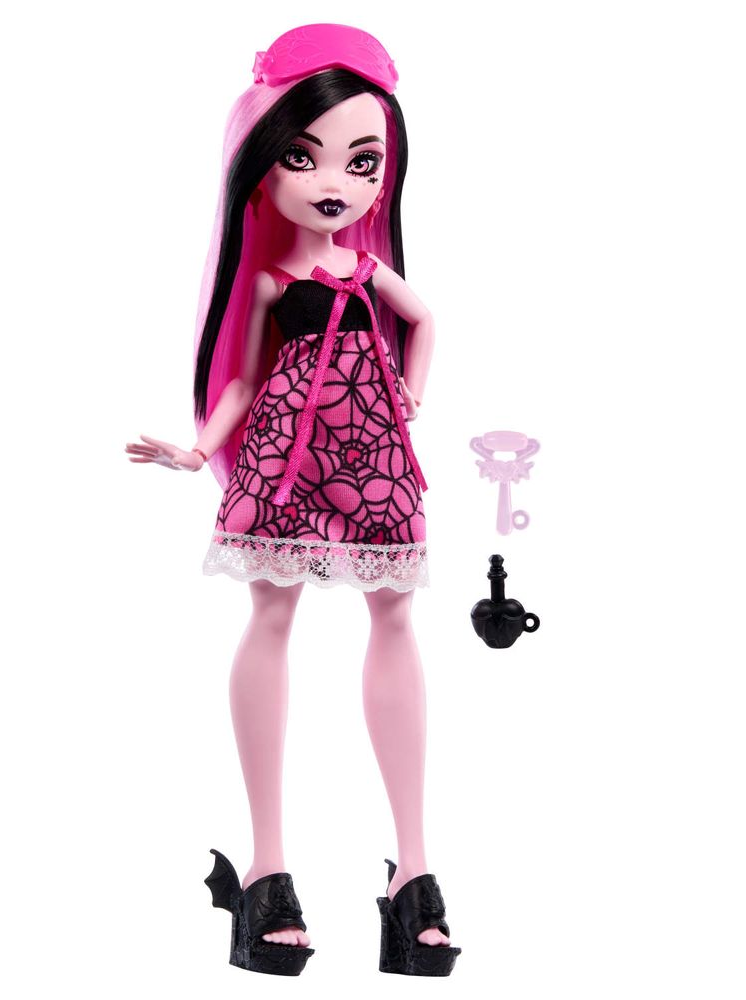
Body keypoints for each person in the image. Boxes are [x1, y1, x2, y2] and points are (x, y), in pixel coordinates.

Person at [125, 24, 459, 977]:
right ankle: (266, 867)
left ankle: (413, 870)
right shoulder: (273, 281)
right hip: (290, 452)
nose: (334, 182)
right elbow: (242, 376)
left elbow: (426, 320)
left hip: (373, 448)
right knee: (272, 614)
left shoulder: (367, 270)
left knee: (394, 614)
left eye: (363, 161)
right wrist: (200, 449)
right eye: (300, 157)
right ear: (259, 170)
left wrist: (411, 397)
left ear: (384, 175)